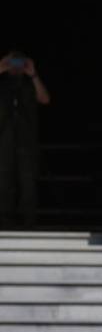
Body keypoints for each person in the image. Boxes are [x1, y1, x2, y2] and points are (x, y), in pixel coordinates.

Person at [0, 50, 51, 227]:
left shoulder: (30, 83)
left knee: (28, 182)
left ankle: (29, 221)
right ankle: (5, 221)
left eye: (19, 62)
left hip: (26, 141)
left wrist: (33, 74)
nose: (15, 66)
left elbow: (45, 99)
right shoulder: (3, 84)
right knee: (4, 181)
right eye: (12, 62)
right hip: (4, 141)